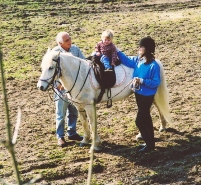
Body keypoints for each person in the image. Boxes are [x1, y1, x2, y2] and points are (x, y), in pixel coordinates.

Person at [116, 36, 161, 153]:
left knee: (139, 121)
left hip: (147, 96)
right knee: (146, 118)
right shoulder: (138, 60)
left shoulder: (154, 65)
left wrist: (142, 81)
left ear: (147, 49)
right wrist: (117, 50)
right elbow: (126, 60)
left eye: (141, 47)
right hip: (139, 94)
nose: (139, 48)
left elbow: (156, 82)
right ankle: (151, 143)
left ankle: (149, 144)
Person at [52, 31, 85, 147]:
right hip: (61, 89)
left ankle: (72, 132)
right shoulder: (55, 53)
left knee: (74, 111)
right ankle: (60, 136)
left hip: (74, 88)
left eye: (70, 39)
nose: (70, 42)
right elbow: (51, 70)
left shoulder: (75, 50)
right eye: (67, 40)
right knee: (61, 113)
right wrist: (58, 84)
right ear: (60, 43)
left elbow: (84, 63)